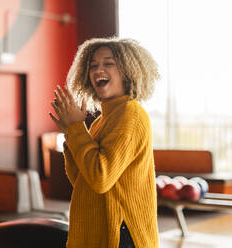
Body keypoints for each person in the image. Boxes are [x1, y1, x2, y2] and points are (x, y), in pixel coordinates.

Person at [49, 37, 160, 248]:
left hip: (121, 233)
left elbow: (101, 178)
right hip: (100, 230)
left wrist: (76, 129)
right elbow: (82, 180)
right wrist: (70, 132)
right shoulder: (101, 121)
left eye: (109, 63)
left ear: (128, 71)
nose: (98, 70)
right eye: (93, 66)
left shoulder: (130, 114)